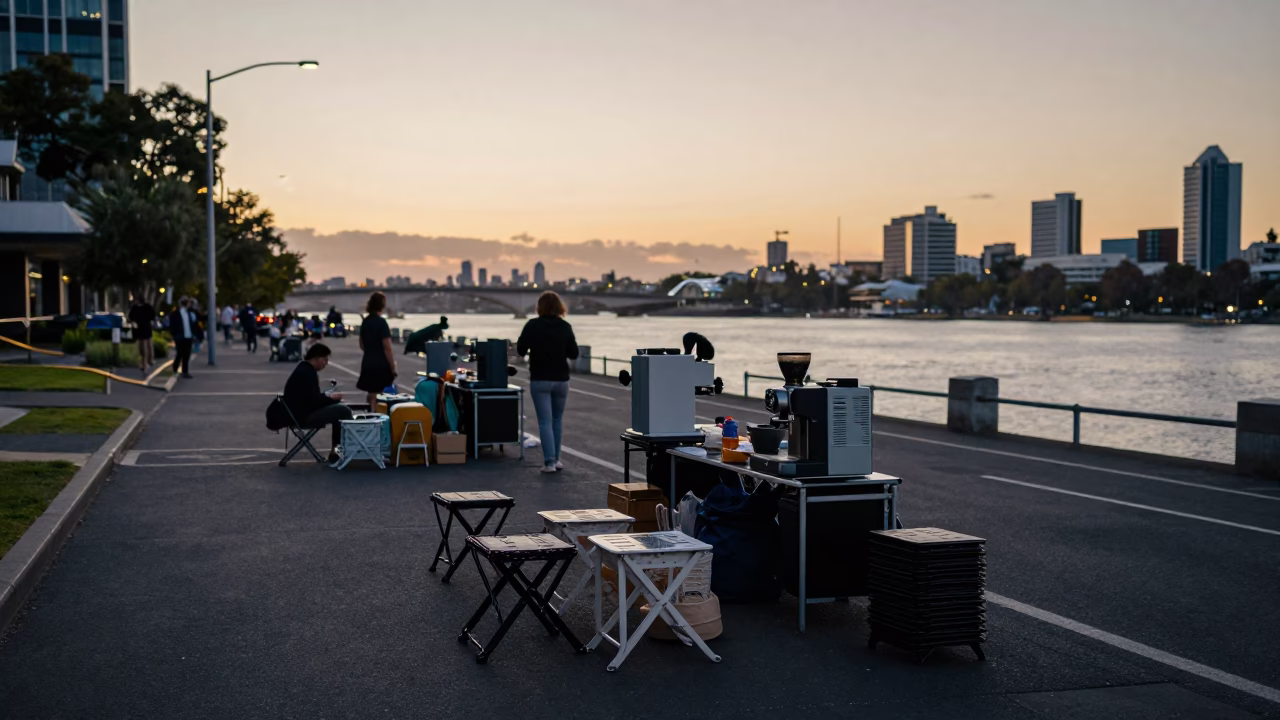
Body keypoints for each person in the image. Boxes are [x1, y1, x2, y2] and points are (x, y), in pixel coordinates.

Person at [517, 291, 578, 473]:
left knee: (545, 421)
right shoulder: (565, 327)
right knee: (557, 420)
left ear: (539, 308)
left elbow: (520, 350)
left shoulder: (532, 325)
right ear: (560, 307)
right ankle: (557, 459)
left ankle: (549, 462)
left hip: (540, 378)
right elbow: (573, 353)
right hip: (561, 379)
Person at [282, 342, 352, 462]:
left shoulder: (304, 369)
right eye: (325, 359)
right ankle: (345, 448)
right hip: (303, 416)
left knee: (337, 409)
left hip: (297, 413)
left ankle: (337, 449)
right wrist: (331, 399)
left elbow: (311, 397)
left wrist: (329, 399)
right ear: (317, 358)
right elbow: (314, 401)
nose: (326, 363)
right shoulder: (308, 373)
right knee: (343, 410)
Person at [356, 291, 396, 407]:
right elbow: (387, 348)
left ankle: (371, 414)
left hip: (368, 362)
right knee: (378, 394)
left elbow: (361, 345)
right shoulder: (382, 323)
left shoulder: (365, 322)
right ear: (382, 306)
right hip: (381, 364)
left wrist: (371, 350)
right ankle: (376, 418)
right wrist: (393, 367)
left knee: (371, 392)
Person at [128, 296, 156, 374]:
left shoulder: (144, 307)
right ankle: (145, 362)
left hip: (144, 327)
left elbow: (152, 316)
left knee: (146, 345)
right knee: (144, 346)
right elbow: (131, 317)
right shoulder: (137, 308)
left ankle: (147, 361)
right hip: (141, 328)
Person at [168, 297, 196, 378]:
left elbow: (192, 324)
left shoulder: (189, 313)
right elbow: (172, 325)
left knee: (186, 354)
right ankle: (175, 368)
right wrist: (174, 334)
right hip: (180, 336)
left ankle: (185, 371)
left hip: (188, 336)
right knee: (180, 353)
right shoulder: (176, 313)